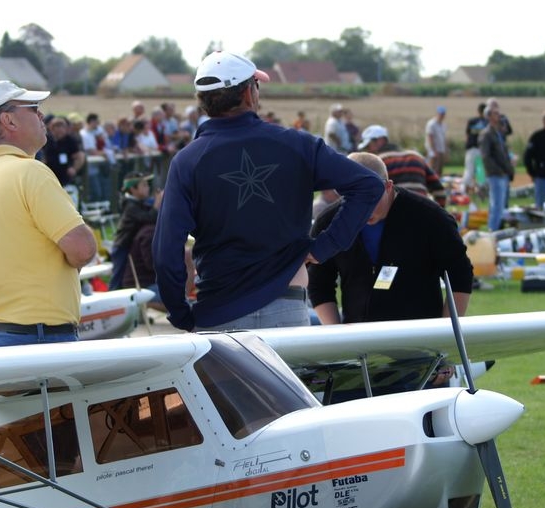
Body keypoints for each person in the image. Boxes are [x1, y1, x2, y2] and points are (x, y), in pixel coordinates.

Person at [153, 51, 383, 332]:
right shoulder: (298, 145)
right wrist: (325, 246)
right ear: (249, 94)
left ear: (202, 101)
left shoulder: (187, 161)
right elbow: (369, 185)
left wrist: (179, 313)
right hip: (287, 307)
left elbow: (166, 251)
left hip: (217, 312)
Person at [0, 80, 97, 348]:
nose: (41, 114)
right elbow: (83, 249)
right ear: (8, 120)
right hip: (35, 336)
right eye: (32, 108)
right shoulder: (30, 172)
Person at [308, 152, 473, 325]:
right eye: (352, 199)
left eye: (370, 198)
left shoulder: (431, 218)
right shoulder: (328, 223)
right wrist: (337, 333)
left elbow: (460, 274)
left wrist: (446, 329)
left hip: (419, 333)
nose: (363, 209)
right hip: (358, 334)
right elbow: (319, 283)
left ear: (388, 186)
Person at [359, 125, 446, 207]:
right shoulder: (416, 157)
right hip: (422, 210)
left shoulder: (378, 162)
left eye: (368, 146)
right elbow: (439, 191)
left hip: (395, 213)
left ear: (380, 140)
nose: (367, 150)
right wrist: (438, 213)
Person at [109, 172, 160, 290]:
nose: (148, 188)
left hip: (130, 244)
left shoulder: (137, 203)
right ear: (133, 189)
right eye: (144, 185)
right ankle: (112, 295)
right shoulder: (130, 206)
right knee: (118, 276)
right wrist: (157, 204)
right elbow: (149, 217)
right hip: (122, 246)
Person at [478, 98, 514, 231]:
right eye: (495, 114)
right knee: (496, 206)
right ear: (488, 116)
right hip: (495, 175)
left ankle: (496, 230)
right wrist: (498, 171)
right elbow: (486, 157)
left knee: (500, 206)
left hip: (503, 174)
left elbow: (503, 154)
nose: (499, 116)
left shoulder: (498, 133)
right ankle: (492, 232)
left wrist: (508, 170)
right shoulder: (486, 134)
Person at [462, 102, 487, 193]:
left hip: (471, 149)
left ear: (478, 111)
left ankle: (463, 189)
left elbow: (467, 135)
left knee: (469, 170)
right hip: (480, 149)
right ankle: (481, 190)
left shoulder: (471, 121)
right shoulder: (487, 122)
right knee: (480, 170)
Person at [424, 106, 448, 175]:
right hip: (433, 150)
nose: (442, 116)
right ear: (437, 114)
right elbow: (430, 137)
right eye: (441, 114)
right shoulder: (431, 124)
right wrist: (434, 150)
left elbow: (444, 138)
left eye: (443, 114)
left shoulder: (443, 125)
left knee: (439, 169)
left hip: (441, 150)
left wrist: (446, 150)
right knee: (432, 168)